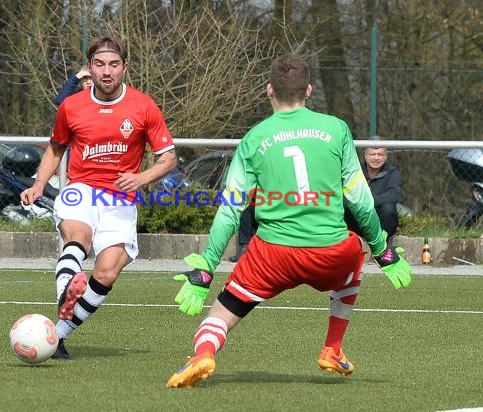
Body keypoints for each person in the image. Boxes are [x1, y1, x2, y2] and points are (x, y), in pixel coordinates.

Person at [165, 54, 412, 388]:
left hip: (272, 256)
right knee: (355, 252)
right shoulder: (336, 129)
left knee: (221, 315)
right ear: (308, 90)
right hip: (331, 251)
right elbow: (361, 201)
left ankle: (204, 354)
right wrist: (383, 250)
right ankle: (332, 348)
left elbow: (230, 209)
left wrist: (207, 266)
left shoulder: (254, 138)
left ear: (270, 90)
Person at [21, 35, 177, 359]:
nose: (107, 72)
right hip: (81, 190)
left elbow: (168, 157)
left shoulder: (143, 106)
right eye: (100, 64)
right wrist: (39, 184)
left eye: (114, 64)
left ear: (125, 67)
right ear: (90, 68)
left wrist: (142, 177)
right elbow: (56, 148)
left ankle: (57, 335)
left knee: (106, 272)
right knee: (79, 237)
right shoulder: (72, 106)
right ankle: (67, 288)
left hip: (120, 199)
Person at [344, 144, 401, 242]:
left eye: (380, 154)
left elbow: (393, 196)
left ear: (386, 156)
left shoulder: (393, 173)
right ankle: (346, 239)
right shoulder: (354, 171)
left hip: (380, 222)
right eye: (372, 154)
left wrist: (368, 201)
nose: (376, 158)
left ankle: (383, 241)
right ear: (365, 155)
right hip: (357, 218)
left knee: (388, 208)